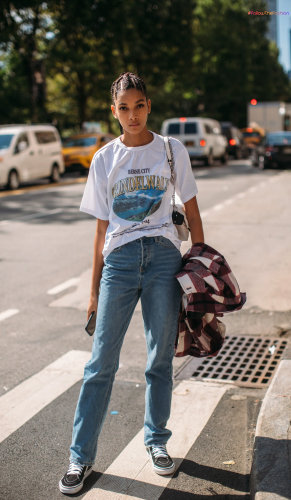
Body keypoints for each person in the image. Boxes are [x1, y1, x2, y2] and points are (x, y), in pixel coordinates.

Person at [59, 72, 205, 495]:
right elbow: (100, 231)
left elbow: (193, 214)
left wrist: (199, 267)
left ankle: (156, 442)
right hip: (119, 264)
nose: (132, 114)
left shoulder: (171, 150)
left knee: (159, 358)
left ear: (149, 106)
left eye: (139, 105)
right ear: (114, 111)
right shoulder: (104, 158)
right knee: (100, 363)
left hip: (163, 260)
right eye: (124, 107)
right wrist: (92, 293)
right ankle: (80, 456)